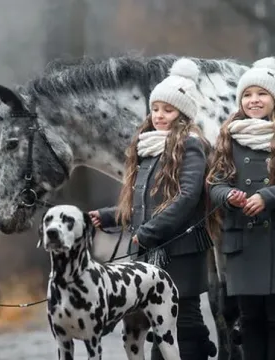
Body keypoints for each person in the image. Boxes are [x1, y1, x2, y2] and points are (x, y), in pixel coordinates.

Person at [88, 58, 217, 360]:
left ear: (182, 114)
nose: (159, 115)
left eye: (168, 110)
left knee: (183, 316)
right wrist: (107, 216)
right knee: (162, 318)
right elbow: (143, 203)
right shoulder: (148, 147)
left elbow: (187, 197)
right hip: (152, 247)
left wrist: (150, 232)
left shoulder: (190, 145)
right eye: (155, 108)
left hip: (181, 248)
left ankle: (195, 350)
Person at [206, 57, 275, 360]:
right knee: (249, 317)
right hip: (242, 238)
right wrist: (228, 196)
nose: (254, 100)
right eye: (247, 94)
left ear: (274, 99)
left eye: (261, 93)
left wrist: (267, 197)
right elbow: (215, 184)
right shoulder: (228, 136)